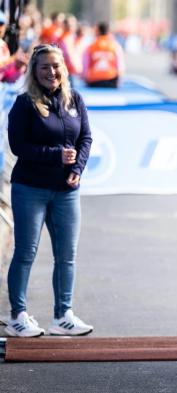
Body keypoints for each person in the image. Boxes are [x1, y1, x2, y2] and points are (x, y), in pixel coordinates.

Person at [4, 45, 93, 337]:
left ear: (63, 68)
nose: (51, 72)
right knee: (26, 252)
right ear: (34, 71)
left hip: (66, 191)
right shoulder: (24, 104)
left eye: (55, 66)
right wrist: (55, 154)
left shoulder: (75, 99)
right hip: (30, 187)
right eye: (44, 67)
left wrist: (77, 169)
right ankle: (18, 315)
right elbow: (19, 147)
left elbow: (86, 138)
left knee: (67, 255)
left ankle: (63, 315)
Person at [82, 22, 124, 88]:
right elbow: (120, 66)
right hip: (111, 80)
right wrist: (119, 79)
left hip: (94, 81)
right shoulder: (115, 46)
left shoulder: (91, 47)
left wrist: (85, 78)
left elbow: (85, 66)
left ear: (97, 32)